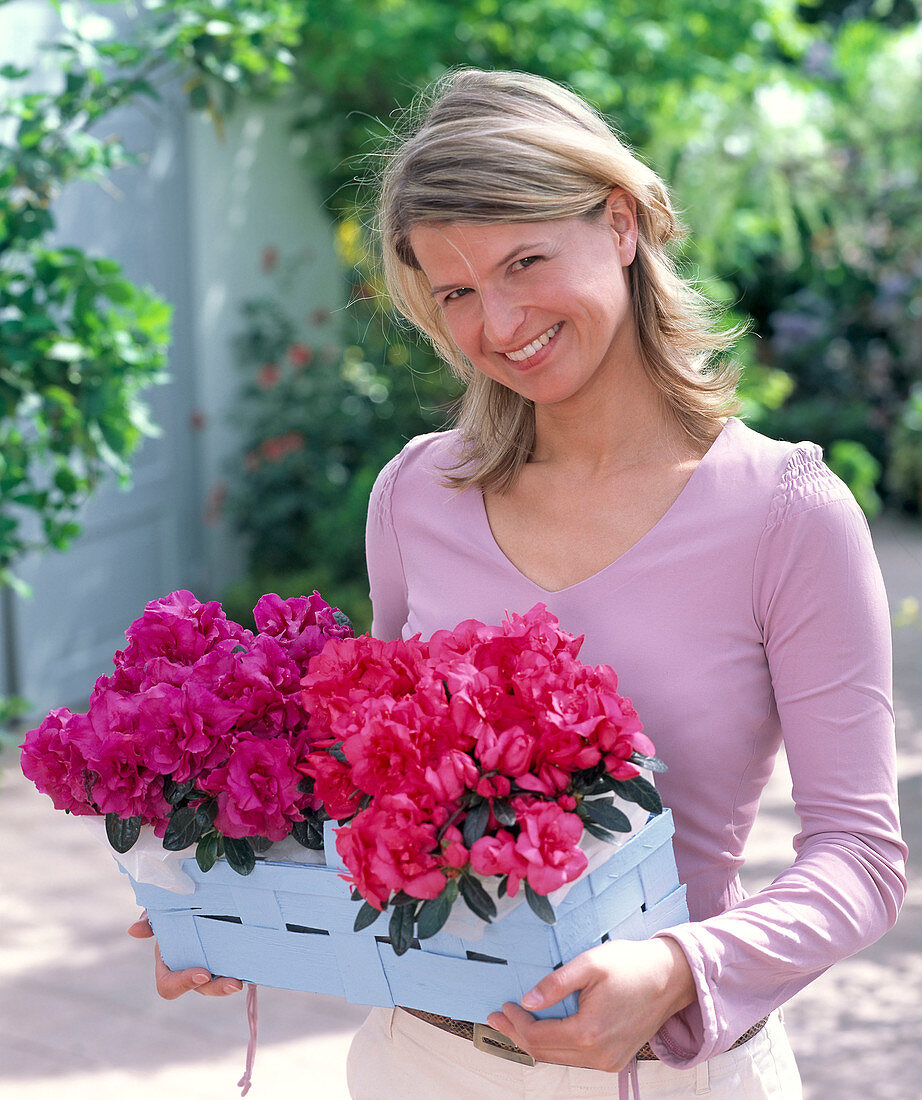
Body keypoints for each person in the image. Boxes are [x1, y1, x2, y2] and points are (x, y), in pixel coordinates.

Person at [131, 68, 907, 1099]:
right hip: (418, 1063)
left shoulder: (785, 513)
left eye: (524, 261)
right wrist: (241, 895)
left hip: (668, 1077)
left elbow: (860, 858)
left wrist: (681, 965)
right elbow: (373, 797)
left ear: (621, 223)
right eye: (454, 292)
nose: (497, 323)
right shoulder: (417, 495)